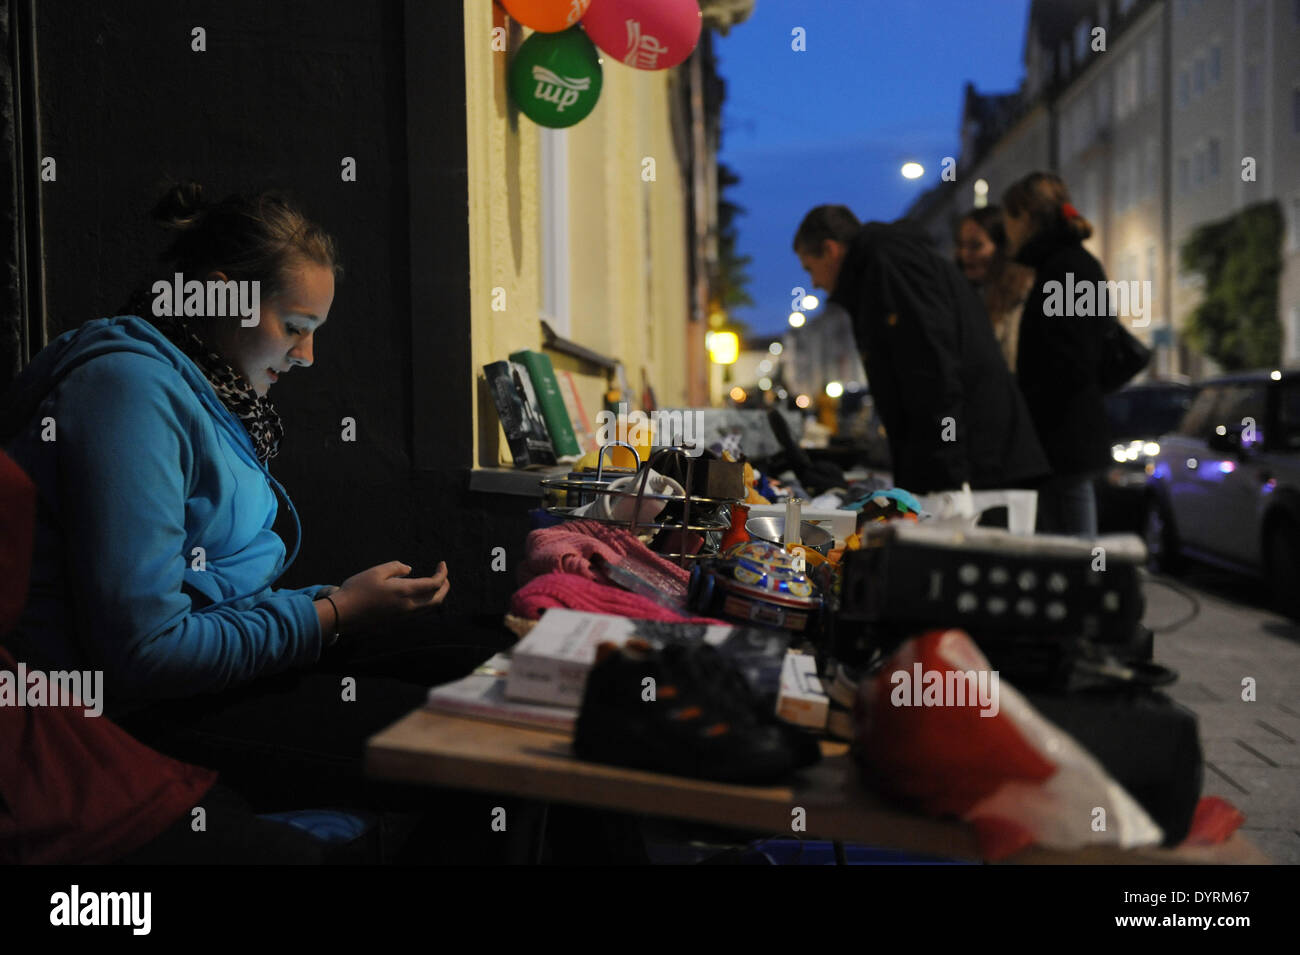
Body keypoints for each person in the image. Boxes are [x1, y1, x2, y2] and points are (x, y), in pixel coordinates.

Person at [0, 183, 534, 862]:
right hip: (139, 712)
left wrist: (333, 606)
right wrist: (333, 613)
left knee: (483, 656)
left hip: (211, 672)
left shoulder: (202, 384)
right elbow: (145, 655)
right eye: (296, 327)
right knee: (487, 749)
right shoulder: (127, 394)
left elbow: (214, 598)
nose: (306, 358)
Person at [793, 205, 1047, 496]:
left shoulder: (890, 266)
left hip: (979, 470)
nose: (813, 282)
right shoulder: (881, 268)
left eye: (810, 268)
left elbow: (934, 369)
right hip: (975, 461)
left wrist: (948, 475)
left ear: (830, 249)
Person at [1002, 172, 1112, 536]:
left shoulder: (1067, 268)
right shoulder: (1063, 265)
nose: (1007, 232)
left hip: (1061, 442)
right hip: (1062, 440)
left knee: (1072, 550)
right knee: (1069, 541)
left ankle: (1087, 592)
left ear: (1028, 218)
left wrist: (1028, 402)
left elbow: (1074, 358)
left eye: (1010, 220)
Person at [954, 206, 1035, 372]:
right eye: (961, 245)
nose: (964, 254)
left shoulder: (1022, 293)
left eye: (975, 246)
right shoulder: (970, 298)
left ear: (1002, 247)